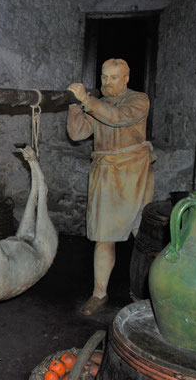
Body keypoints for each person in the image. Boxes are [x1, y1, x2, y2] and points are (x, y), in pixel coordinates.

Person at [67, 58, 155, 315]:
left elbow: (118, 118)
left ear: (126, 78)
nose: (107, 82)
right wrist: (74, 106)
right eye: (104, 77)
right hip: (106, 173)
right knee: (103, 237)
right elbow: (77, 134)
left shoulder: (139, 100)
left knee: (143, 236)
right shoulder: (99, 105)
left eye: (113, 78)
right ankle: (99, 294)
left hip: (135, 173)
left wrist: (87, 101)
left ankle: (150, 295)